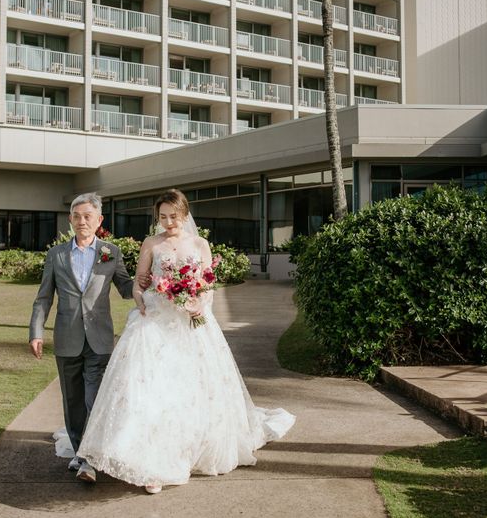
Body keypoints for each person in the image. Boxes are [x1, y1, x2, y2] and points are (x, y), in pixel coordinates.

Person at [75, 189, 295, 494]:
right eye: (162, 217)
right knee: (149, 389)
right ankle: (151, 462)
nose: (168, 222)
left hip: (190, 323)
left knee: (192, 390)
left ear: (185, 214)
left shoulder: (199, 244)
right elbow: (140, 283)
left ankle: (187, 450)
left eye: (173, 216)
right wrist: (140, 301)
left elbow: (208, 285)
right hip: (155, 320)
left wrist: (198, 304)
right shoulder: (151, 244)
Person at [29, 193, 140, 483]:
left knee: (95, 399)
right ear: (70, 220)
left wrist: (150, 279)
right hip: (66, 339)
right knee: (73, 401)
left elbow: (126, 288)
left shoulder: (110, 252)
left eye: (88, 216)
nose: (82, 221)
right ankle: (81, 452)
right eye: (77, 216)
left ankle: (89, 460)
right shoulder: (56, 255)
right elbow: (43, 298)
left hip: (100, 339)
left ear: (99, 220)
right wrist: (36, 332)